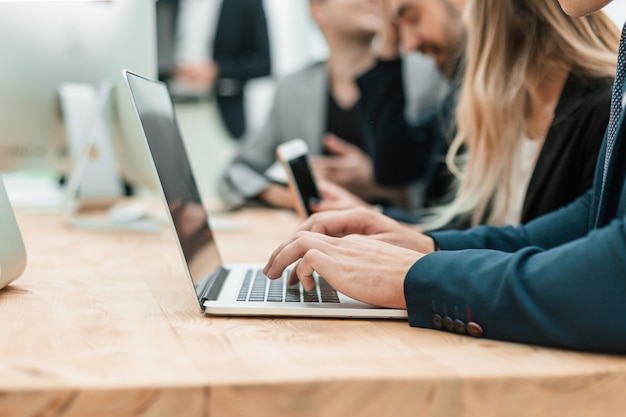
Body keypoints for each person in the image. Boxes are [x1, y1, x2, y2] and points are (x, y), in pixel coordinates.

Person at [263, 0, 626, 354]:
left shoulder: (599, 101)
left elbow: (608, 271)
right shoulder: (497, 110)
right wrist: (426, 246)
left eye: (412, 17)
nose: (408, 44)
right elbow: (589, 215)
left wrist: (418, 273)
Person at [316, 0, 618, 231]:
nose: (408, 45)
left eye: (413, 17)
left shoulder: (604, 109)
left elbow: (556, 251)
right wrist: (376, 222)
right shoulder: (487, 107)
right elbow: (469, 229)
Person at [219, 0, 448, 210]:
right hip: (322, 239)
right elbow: (236, 173)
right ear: (318, 10)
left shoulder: (427, 78)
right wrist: (288, 196)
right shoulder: (293, 89)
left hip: (401, 239)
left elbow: (448, 191)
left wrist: (376, 183)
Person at [169, 0, 271, 139]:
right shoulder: (166, 3)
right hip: (172, 108)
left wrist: (217, 70)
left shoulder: (247, 3)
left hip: (221, 113)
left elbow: (263, 63)